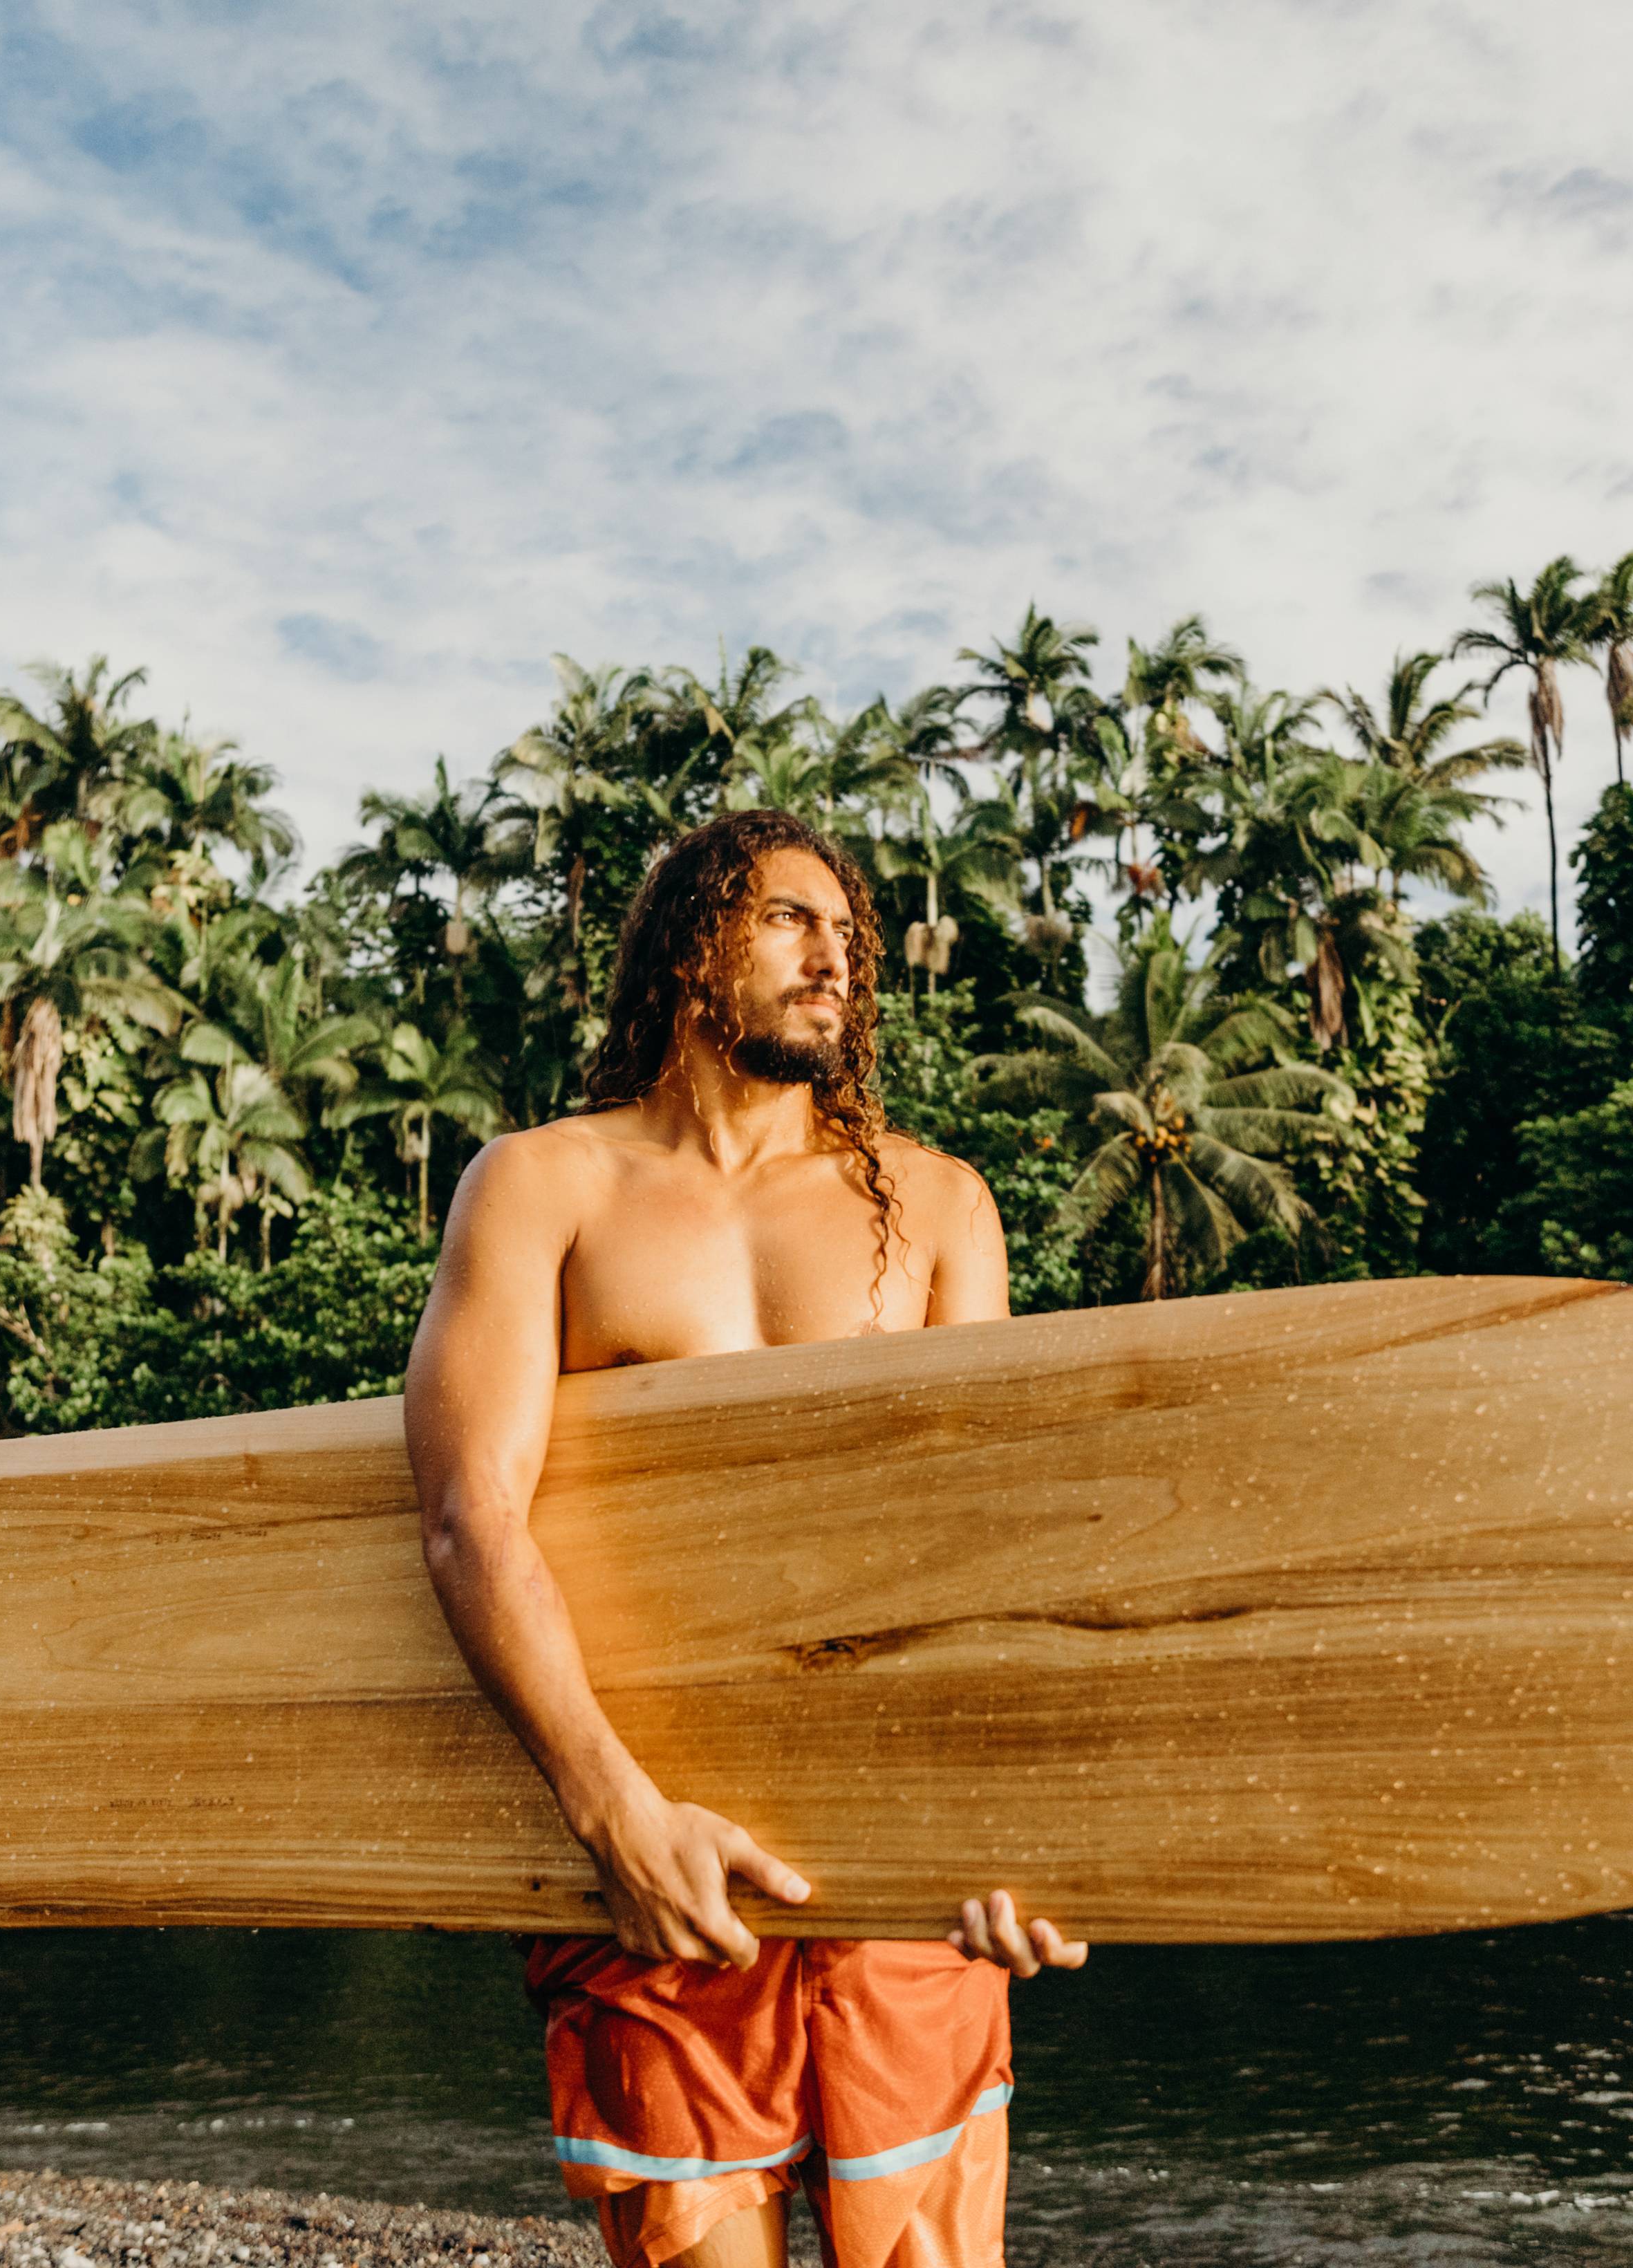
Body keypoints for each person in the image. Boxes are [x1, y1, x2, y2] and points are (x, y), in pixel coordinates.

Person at [404, 809, 1084, 2268]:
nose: (832, 951)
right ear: (688, 942)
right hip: (658, 1854)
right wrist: (617, 1817)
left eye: (848, 931)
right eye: (788, 917)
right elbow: (473, 1518)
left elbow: (984, 1562)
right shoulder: (543, 1186)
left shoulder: (942, 1206)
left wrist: (1024, 1844)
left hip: (902, 1863)